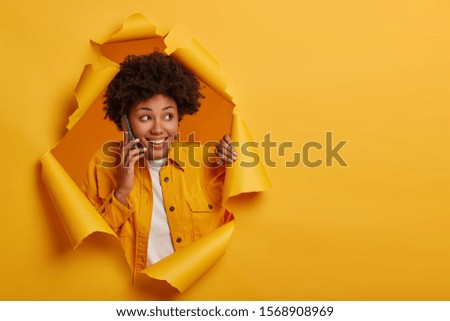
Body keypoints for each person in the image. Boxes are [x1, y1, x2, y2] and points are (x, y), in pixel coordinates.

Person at [81, 52, 236, 277]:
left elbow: (240, 230)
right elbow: (91, 248)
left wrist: (235, 165)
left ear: (178, 117)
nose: (158, 129)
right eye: (145, 117)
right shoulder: (103, 165)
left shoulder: (211, 160)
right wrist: (122, 189)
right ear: (125, 121)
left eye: (167, 116)